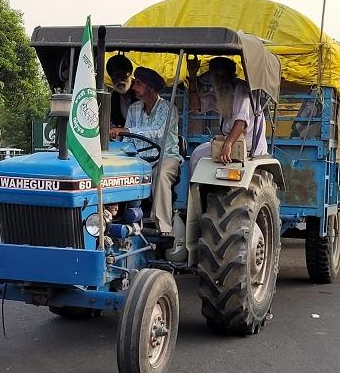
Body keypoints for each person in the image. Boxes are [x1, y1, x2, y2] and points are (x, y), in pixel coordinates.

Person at [110, 67, 182, 236]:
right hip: (140, 159)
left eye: (138, 83)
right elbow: (127, 140)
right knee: (118, 171)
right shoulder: (134, 108)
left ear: (150, 87)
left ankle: (163, 228)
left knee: (161, 174)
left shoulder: (168, 108)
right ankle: (118, 218)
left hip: (166, 156)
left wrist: (126, 130)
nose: (134, 86)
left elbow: (158, 131)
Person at [188, 57, 268, 173]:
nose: (220, 81)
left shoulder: (242, 90)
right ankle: (197, 190)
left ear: (231, 76)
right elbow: (195, 107)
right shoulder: (221, 95)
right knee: (196, 154)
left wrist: (228, 144)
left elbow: (241, 123)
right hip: (231, 144)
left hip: (250, 150)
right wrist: (192, 78)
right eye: (216, 77)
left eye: (223, 76)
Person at [106, 54, 137, 127]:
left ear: (131, 76)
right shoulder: (112, 99)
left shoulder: (140, 94)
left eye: (123, 75)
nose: (120, 80)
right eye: (115, 77)